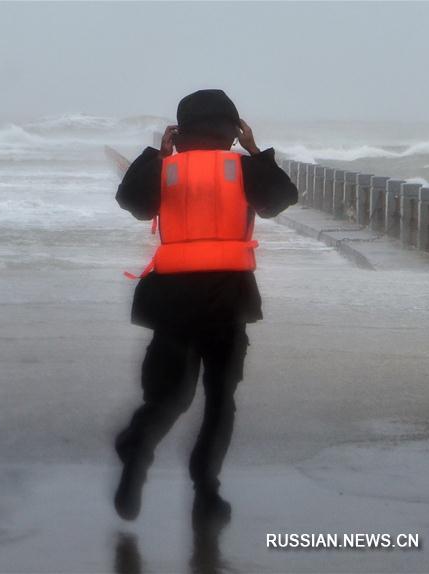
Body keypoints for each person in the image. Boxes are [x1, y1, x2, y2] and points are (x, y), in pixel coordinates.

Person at [113, 89, 298, 522]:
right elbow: (281, 200)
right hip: (226, 301)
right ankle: (206, 490)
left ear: (180, 131)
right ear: (233, 129)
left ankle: (136, 447)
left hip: (172, 303)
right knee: (219, 400)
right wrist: (256, 149)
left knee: (167, 398)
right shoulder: (244, 168)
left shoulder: (166, 169)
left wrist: (155, 154)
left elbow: (133, 204)